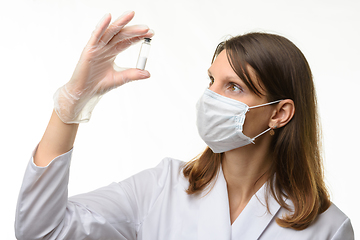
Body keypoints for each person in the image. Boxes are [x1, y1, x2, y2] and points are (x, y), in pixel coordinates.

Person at [15, 11, 354, 240]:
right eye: (211, 81)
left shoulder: (329, 228)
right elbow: (40, 230)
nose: (211, 97)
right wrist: (70, 106)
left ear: (279, 113)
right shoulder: (160, 187)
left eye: (233, 87)